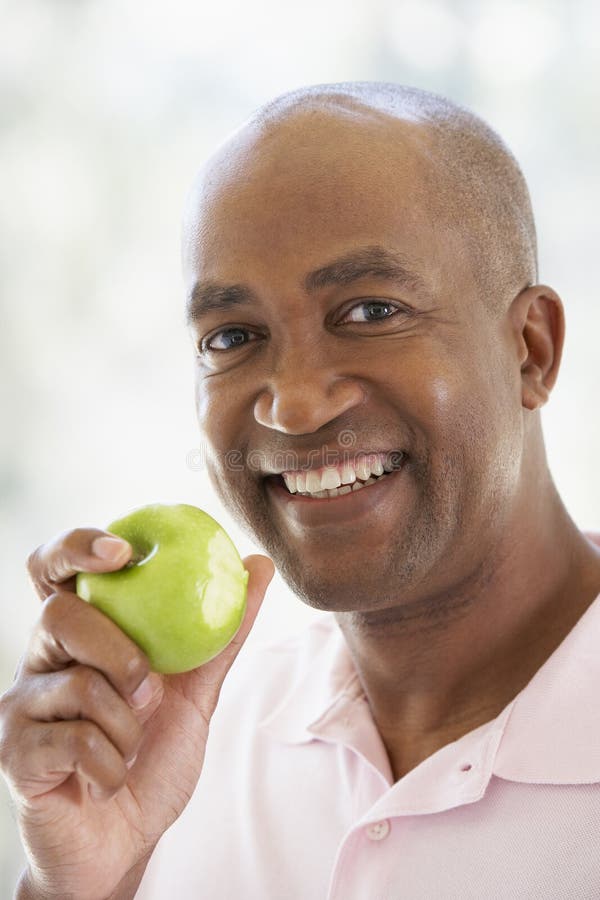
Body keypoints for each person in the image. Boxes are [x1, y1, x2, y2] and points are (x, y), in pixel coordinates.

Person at [1, 81, 600, 899]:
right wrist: (80, 886)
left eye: (370, 310)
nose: (293, 402)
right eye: (234, 337)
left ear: (531, 350)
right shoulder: (175, 757)